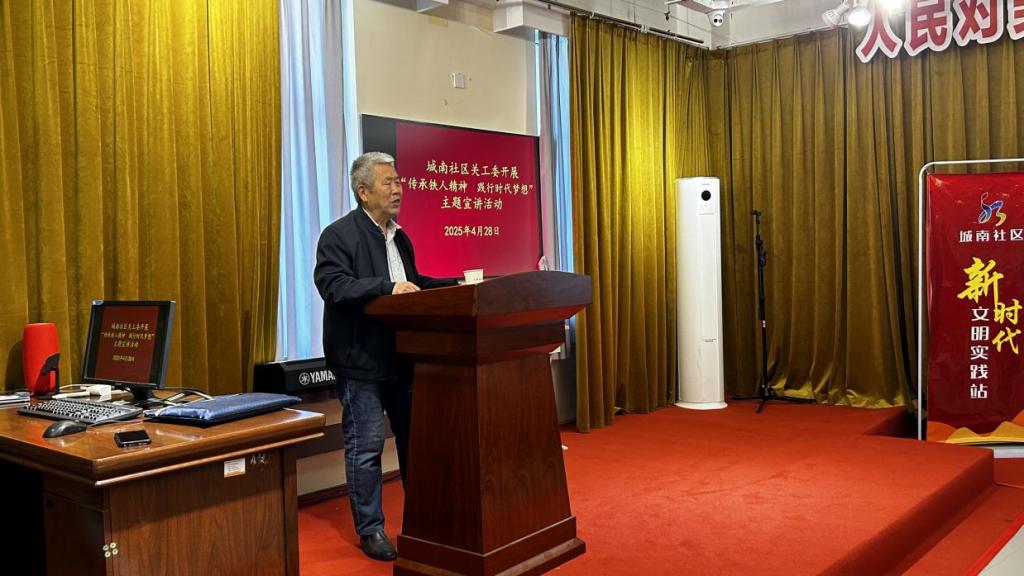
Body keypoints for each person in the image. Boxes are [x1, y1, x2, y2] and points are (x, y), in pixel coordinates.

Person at [314, 151, 457, 561]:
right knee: (367, 446)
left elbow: (411, 283)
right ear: (363, 191)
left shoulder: (400, 237)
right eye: (388, 182)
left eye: (399, 182)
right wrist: (385, 287)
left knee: (415, 441)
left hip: (403, 356)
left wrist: (454, 285)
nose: (398, 189)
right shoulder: (338, 235)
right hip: (360, 359)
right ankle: (371, 528)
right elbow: (334, 286)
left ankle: (423, 518)